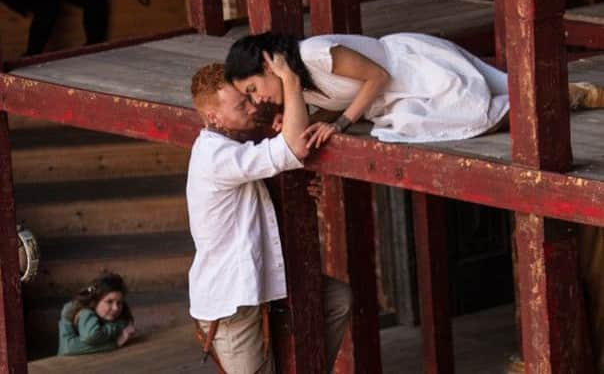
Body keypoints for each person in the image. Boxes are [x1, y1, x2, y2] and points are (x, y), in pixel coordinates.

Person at [187, 57, 352, 373]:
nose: (251, 108)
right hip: (231, 302)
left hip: (258, 284)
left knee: (336, 300)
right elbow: (294, 148)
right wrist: (290, 80)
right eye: (240, 107)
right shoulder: (215, 155)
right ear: (213, 117)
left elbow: (252, 196)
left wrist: (298, 191)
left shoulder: (234, 142)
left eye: (248, 99)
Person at [223, 32, 604, 147]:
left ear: (269, 63)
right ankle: (561, 98)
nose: (258, 100)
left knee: (469, 113)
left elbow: (377, 77)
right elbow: (322, 112)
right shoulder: (298, 85)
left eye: (254, 88)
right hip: (397, 99)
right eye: (252, 98)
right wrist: (292, 108)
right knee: (408, 124)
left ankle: (562, 97)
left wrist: (339, 125)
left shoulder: (314, 54)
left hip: (412, 68)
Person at [57, 272, 136, 356]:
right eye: (109, 302)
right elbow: (68, 348)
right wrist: (114, 343)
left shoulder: (122, 313)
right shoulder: (71, 310)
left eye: (119, 302)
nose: (115, 308)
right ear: (95, 301)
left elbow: (127, 324)